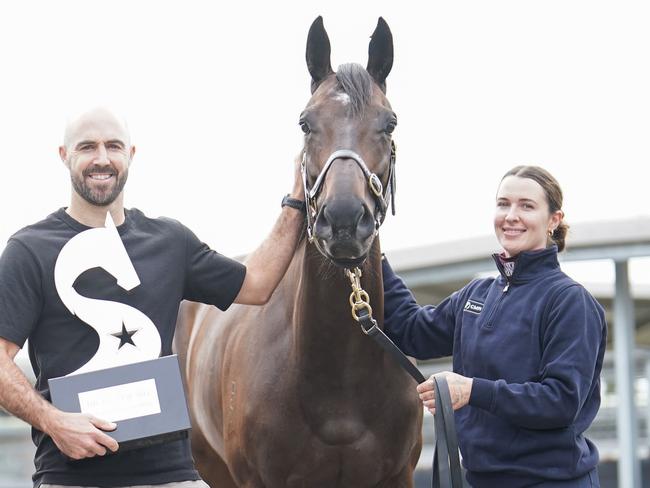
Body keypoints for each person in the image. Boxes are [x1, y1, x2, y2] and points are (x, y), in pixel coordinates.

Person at [0, 107, 305, 488]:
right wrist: (54, 421)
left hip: (171, 475)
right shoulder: (29, 250)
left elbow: (257, 284)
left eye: (113, 146)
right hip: (70, 477)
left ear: (131, 154)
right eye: (87, 147)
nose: (102, 158)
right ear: (64, 156)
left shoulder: (170, 242)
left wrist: (298, 197)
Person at [382, 166, 606, 487]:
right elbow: (413, 332)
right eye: (504, 204)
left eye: (526, 206)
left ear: (553, 220)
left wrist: (472, 390)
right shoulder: (476, 294)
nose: (511, 215)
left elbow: (561, 401)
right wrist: (374, 255)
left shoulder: (570, 301)